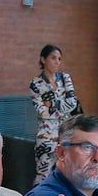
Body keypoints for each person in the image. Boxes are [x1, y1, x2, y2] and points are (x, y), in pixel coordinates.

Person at [29, 44, 80, 185]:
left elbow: (73, 103)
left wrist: (51, 104)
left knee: (67, 173)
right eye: (53, 58)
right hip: (46, 136)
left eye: (59, 58)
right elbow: (42, 112)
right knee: (43, 175)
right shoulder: (36, 84)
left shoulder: (65, 78)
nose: (57, 61)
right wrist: (60, 106)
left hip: (66, 133)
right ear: (43, 59)